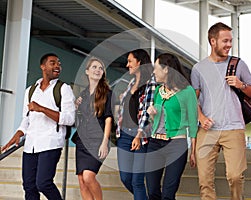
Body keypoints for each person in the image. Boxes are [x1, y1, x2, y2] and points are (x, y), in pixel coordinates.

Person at [191, 22, 251, 200]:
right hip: (207, 131)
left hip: (233, 128)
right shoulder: (198, 68)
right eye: (225, 41)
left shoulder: (239, 64)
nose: (229, 45)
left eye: (231, 41)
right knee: (205, 180)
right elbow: (192, 99)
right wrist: (201, 117)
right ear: (213, 41)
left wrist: (241, 85)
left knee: (235, 176)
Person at [1, 53, 75, 200]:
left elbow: (69, 119)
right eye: (52, 63)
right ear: (43, 67)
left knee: (43, 183)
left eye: (58, 63)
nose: (57, 66)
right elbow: (26, 118)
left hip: (51, 143)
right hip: (31, 144)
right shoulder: (30, 90)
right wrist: (19, 133)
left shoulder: (63, 89)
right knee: (29, 186)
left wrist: (42, 109)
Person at [145, 53, 198, 200]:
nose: (154, 72)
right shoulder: (158, 91)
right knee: (152, 191)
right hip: (155, 143)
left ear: (166, 69)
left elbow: (193, 122)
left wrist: (193, 151)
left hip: (176, 144)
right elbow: (157, 121)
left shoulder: (188, 92)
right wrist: (152, 114)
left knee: (168, 193)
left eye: (156, 68)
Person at [116, 49, 156, 200]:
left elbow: (147, 112)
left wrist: (139, 135)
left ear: (139, 62)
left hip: (141, 135)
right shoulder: (131, 83)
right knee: (125, 177)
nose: (127, 65)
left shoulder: (150, 84)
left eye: (130, 61)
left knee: (137, 180)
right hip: (124, 134)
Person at [71, 57, 113, 200]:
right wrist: (76, 107)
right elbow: (78, 119)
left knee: (89, 177)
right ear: (87, 71)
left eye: (100, 68)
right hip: (82, 141)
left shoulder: (108, 93)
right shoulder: (83, 94)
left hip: (97, 141)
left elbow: (108, 119)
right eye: (94, 67)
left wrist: (105, 142)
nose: (97, 70)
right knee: (82, 181)